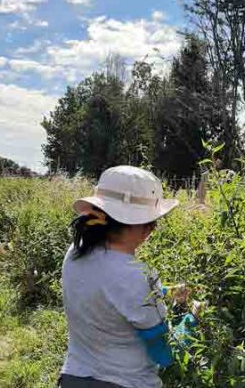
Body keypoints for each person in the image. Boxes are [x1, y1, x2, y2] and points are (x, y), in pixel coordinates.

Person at [59, 165, 199, 388]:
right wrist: (192, 318)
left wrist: (166, 293)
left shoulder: (76, 252)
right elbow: (164, 354)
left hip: (74, 378)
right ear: (145, 228)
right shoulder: (139, 277)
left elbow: (111, 293)